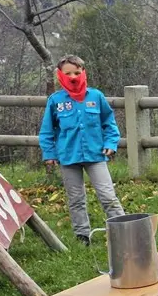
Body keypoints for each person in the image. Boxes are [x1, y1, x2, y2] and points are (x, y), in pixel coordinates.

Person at [39, 55, 125, 246]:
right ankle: (82, 235)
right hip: (68, 157)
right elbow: (47, 130)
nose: (73, 77)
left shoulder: (96, 97)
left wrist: (111, 144)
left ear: (83, 73)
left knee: (107, 194)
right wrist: (49, 153)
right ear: (60, 76)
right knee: (76, 198)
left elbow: (109, 124)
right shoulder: (56, 101)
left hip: (96, 155)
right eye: (68, 73)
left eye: (77, 72)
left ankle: (122, 230)